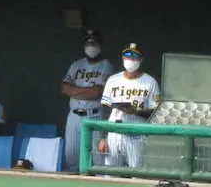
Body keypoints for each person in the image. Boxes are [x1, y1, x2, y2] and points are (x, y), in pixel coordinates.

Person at [98, 43, 161, 168]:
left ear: (141, 59)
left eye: (135, 56)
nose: (130, 59)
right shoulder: (113, 80)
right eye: (127, 55)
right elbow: (105, 110)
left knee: (136, 174)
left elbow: (156, 112)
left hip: (137, 134)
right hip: (114, 133)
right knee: (110, 174)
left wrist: (136, 111)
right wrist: (103, 137)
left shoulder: (150, 82)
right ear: (123, 58)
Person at [60, 29, 114, 171]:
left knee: (97, 159)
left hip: (95, 115)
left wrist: (75, 91)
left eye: (94, 43)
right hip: (74, 117)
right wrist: (87, 91)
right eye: (88, 43)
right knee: (71, 157)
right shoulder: (76, 65)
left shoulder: (106, 65)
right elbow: (65, 88)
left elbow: (98, 92)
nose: (91, 46)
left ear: (100, 45)